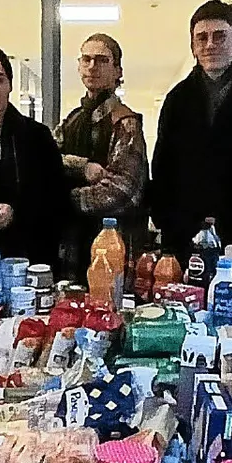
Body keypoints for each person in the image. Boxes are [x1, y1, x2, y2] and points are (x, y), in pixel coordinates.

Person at [151, 0, 232, 274]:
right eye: (201, 38)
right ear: (193, 47)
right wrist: (170, 230)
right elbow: (163, 171)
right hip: (186, 242)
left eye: (219, 36)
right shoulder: (178, 99)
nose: (210, 45)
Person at [0, 45, 69, 268]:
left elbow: (57, 197)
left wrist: (16, 212)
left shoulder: (37, 136)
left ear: (10, 85)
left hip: (32, 258)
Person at [55, 33, 148, 281]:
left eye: (102, 60)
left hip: (114, 249)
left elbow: (121, 192)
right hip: (72, 248)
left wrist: (63, 198)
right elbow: (45, 159)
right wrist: (81, 166)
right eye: (86, 59)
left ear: (118, 71)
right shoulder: (72, 120)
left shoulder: (125, 123)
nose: (92, 66)